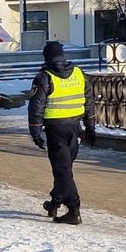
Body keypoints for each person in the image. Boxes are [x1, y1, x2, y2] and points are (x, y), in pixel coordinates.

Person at [28, 41, 96, 225]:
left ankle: (74, 210)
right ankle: (55, 202)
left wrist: (35, 132)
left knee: (62, 169)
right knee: (65, 168)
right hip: (76, 128)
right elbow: (89, 102)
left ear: (46, 57)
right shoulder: (78, 73)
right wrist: (91, 127)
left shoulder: (44, 77)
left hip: (56, 129)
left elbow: (36, 106)